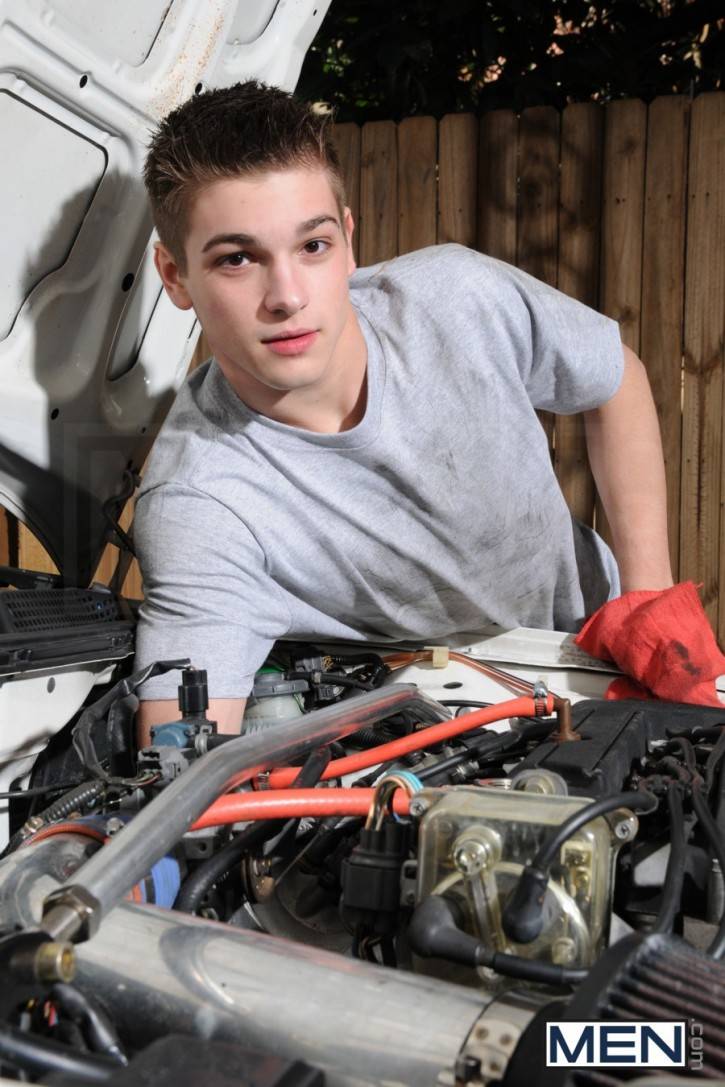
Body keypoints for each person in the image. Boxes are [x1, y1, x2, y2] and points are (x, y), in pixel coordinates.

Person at [134, 80, 673, 743]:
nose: (286, 296)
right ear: (175, 276)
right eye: (237, 258)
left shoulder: (458, 300)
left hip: (600, 653)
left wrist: (647, 600)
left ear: (349, 239)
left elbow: (615, 377)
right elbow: (183, 750)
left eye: (312, 246)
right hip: (432, 728)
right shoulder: (199, 500)